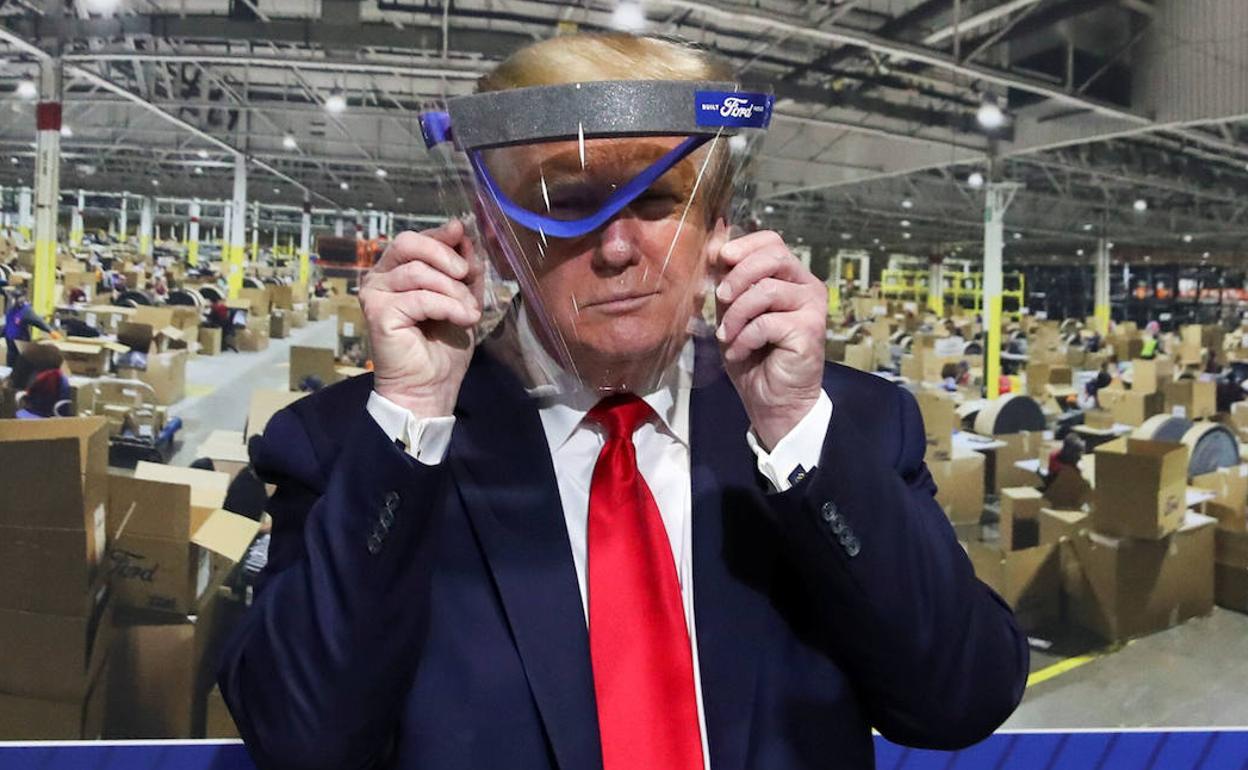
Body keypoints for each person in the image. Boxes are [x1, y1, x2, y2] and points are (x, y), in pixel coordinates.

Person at [219, 33, 1026, 770]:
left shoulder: (848, 429)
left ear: (718, 224)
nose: (615, 248)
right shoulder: (353, 450)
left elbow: (960, 700)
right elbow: (302, 743)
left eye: (656, 201)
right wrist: (410, 418)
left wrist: (795, 432)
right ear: (495, 233)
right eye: (568, 203)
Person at [4, 290, 56, 369]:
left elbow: (38, 321)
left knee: (22, 364)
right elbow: (8, 324)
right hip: (10, 342)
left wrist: (51, 331)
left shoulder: (26, 311)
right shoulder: (10, 309)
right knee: (10, 363)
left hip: (21, 342)